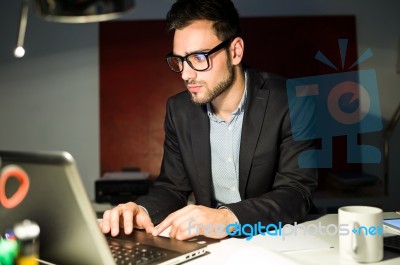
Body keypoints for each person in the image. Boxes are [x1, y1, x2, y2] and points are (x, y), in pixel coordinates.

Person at [100, 0, 318, 240]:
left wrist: (227, 217)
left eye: (198, 57)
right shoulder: (179, 109)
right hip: (214, 248)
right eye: (179, 60)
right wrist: (140, 210)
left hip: (279, 242)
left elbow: (297, 192)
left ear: (235, 51)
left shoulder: (292, 100)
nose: (185, 74)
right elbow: (172, 188)